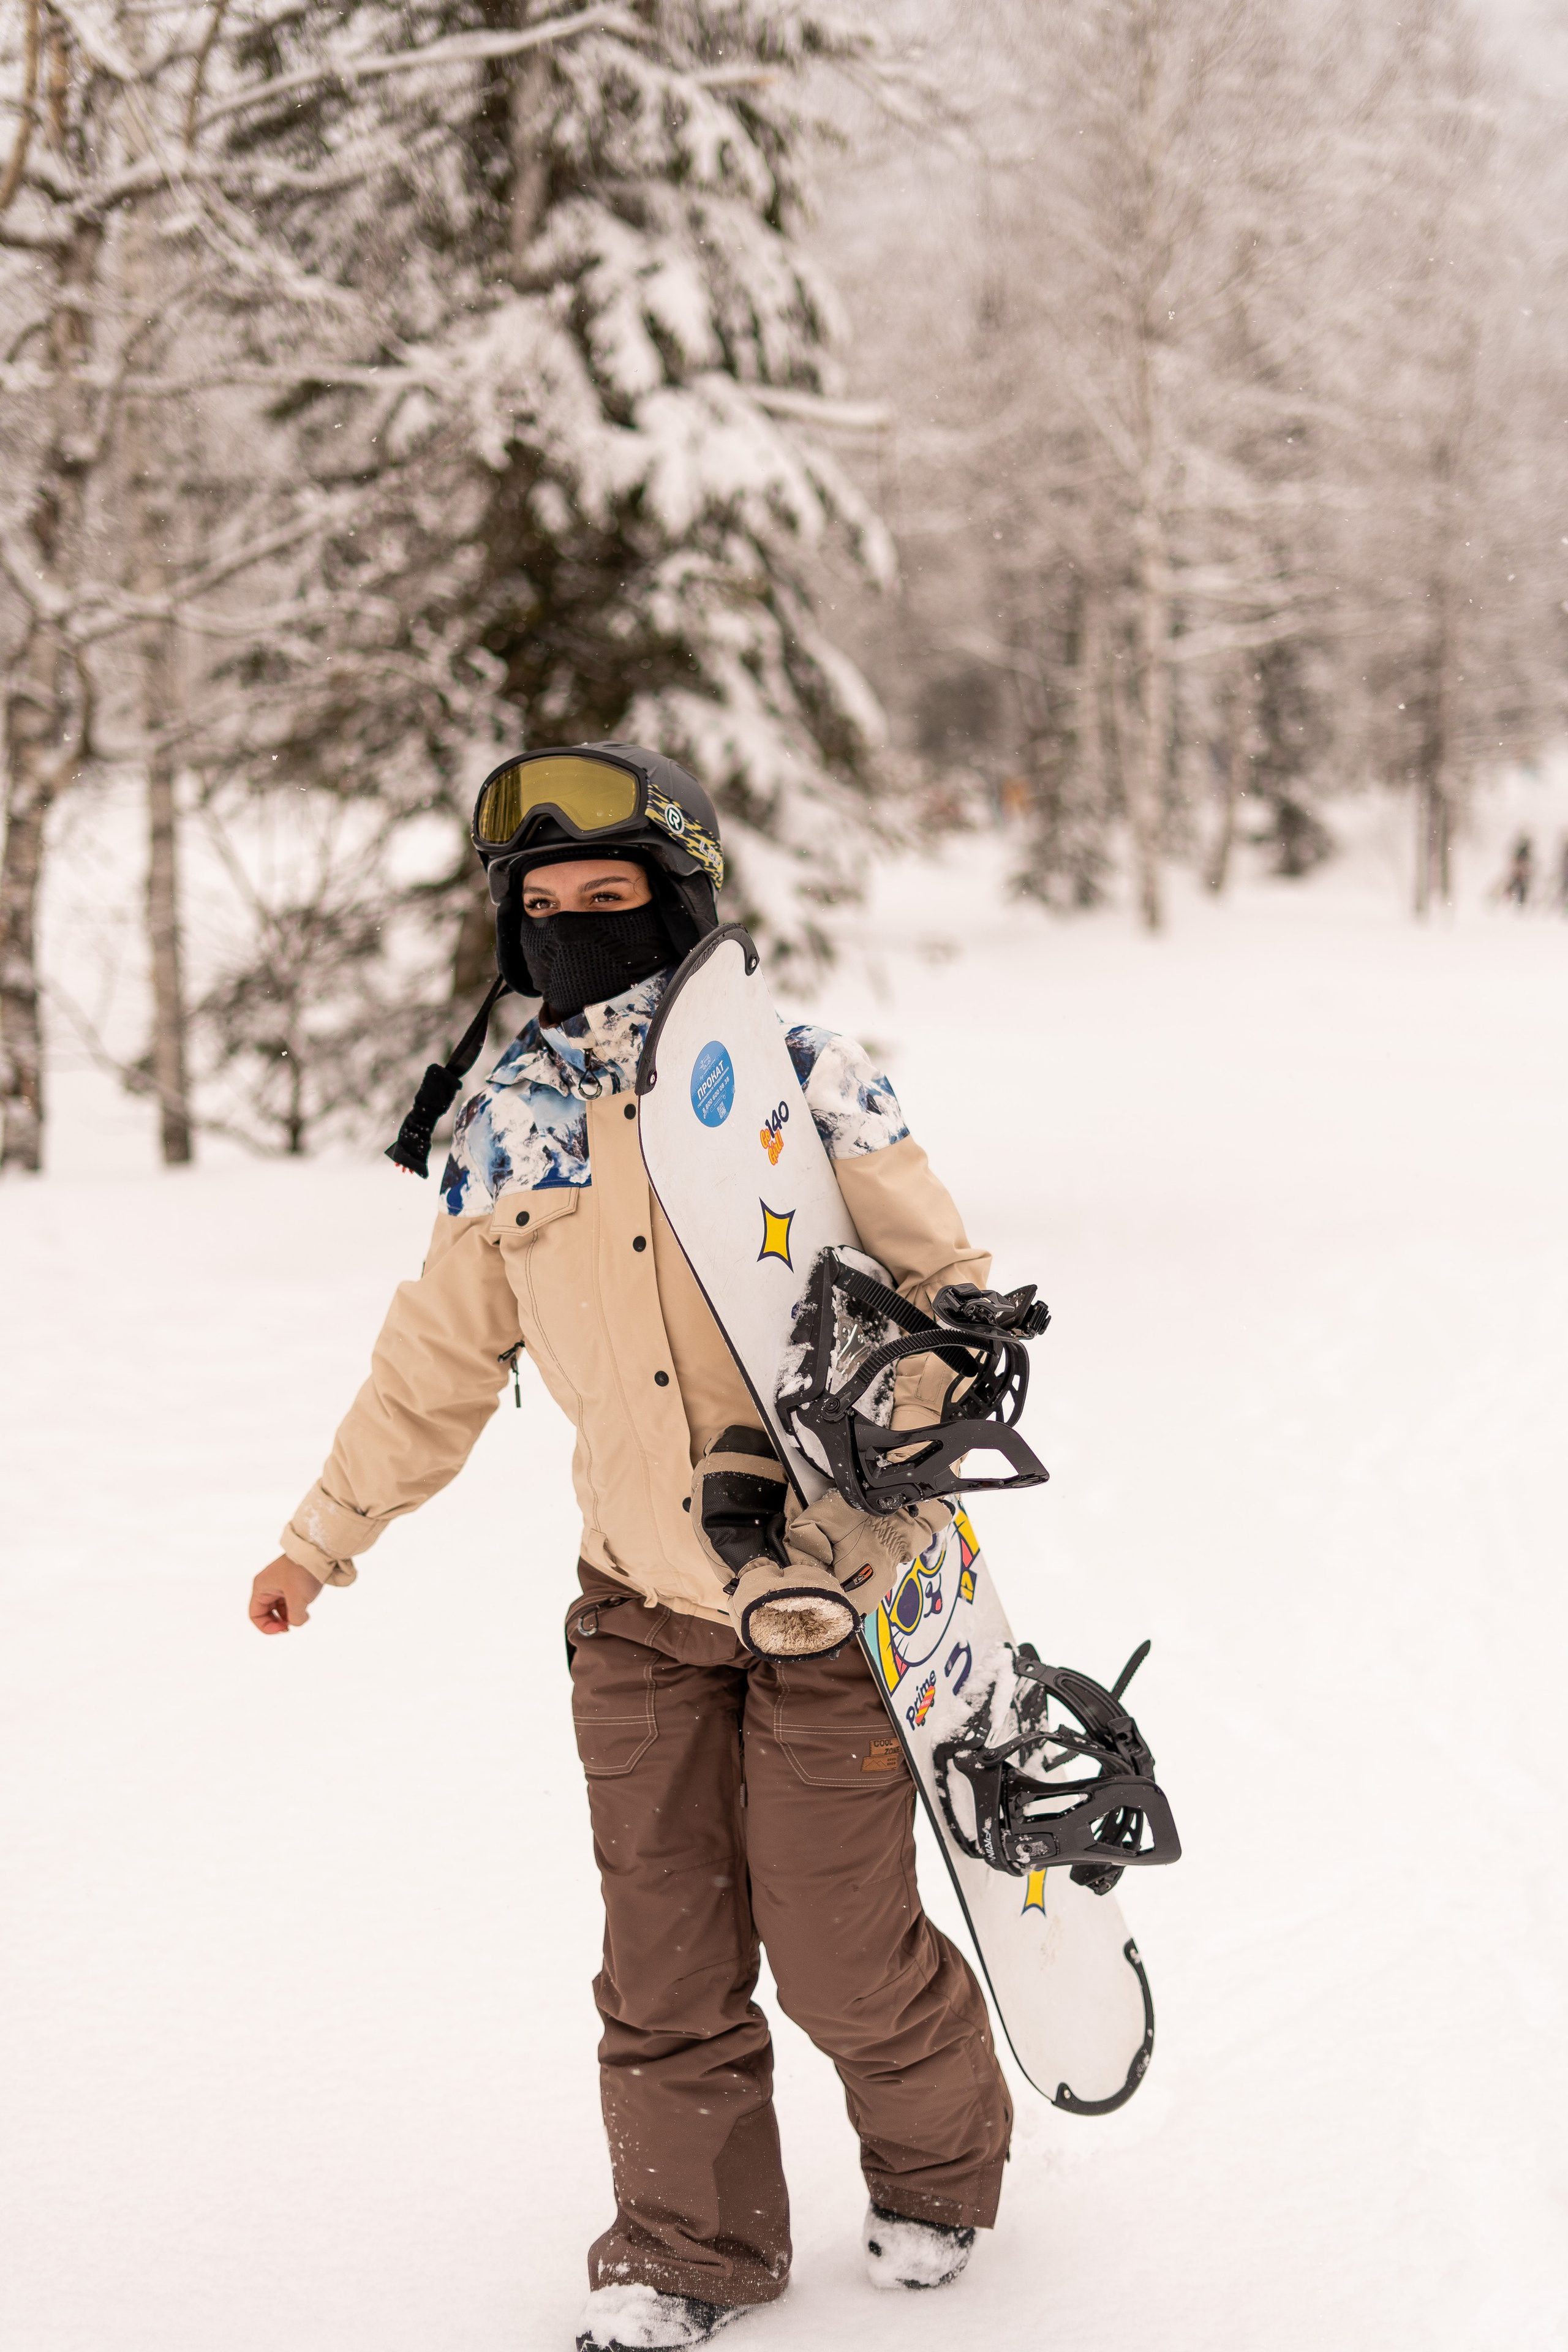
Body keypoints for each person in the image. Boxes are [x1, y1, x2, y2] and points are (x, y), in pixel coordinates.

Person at [249, 744, 1013, 2352]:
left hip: (830, 1596)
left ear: (680, 905)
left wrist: (904, 1408)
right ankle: (687, 2250)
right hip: (639, 1616)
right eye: (548, 909)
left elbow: (946, 1283)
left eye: (613, 900)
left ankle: (940, 2166)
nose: (580, 928)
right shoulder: (509, 1126)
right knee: (661, 1973)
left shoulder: (806, 1078)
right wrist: (326, 1539)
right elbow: (435, 1360)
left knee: (838, 1960)